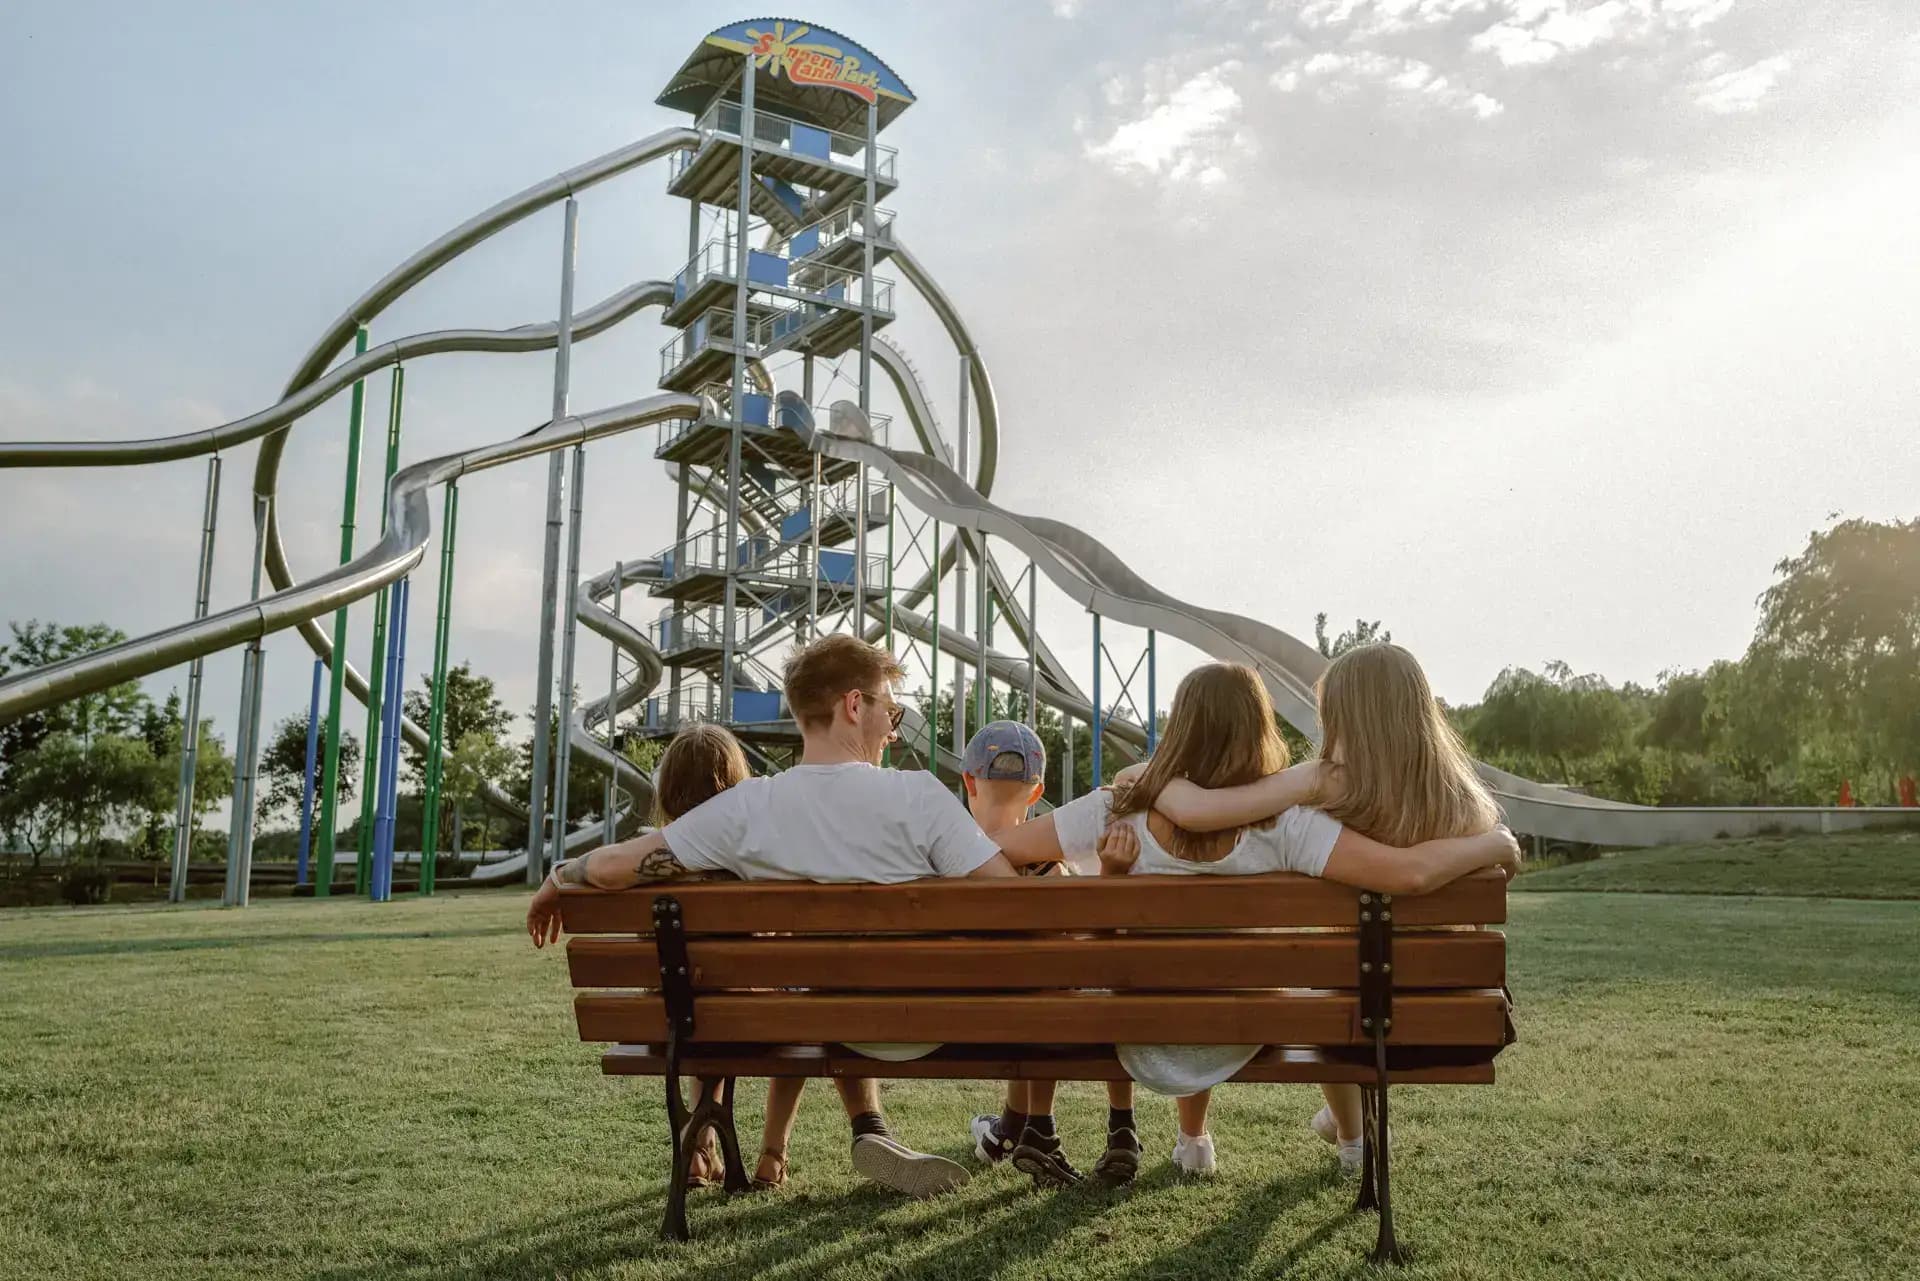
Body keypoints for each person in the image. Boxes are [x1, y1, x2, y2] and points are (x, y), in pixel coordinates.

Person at [528, 634, 1035, 1199]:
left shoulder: (745, 809)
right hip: (928, 1026)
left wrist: (558, 877)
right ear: (852, 705)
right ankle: (866, 1127)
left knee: (819, 981)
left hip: (825, 1026)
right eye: (890, 712)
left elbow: (619, 865)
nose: (893, 729)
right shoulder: (921, 797)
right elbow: (1010, 901)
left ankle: (815, 1133)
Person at [984, 660, 1520, 1181]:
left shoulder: (1116, 811)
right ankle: (1349, 1136)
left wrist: (1140, 783)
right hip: (1267, 1032)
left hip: (1137, 1033)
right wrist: (1497, 844)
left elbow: (993, 850)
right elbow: (1409, 873)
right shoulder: (1299, 828)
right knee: (1330, 989)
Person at [956, 719, 1127, 1189]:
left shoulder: (946, 858)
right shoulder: (1053, 872)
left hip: (953, 1023)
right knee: (1045, 987)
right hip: (1038, 1019)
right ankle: (1033, 1127)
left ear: (968, 781)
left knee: (1031, 993)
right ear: (1037, 794)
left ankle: (1013, 1128)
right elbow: (1085, 950)